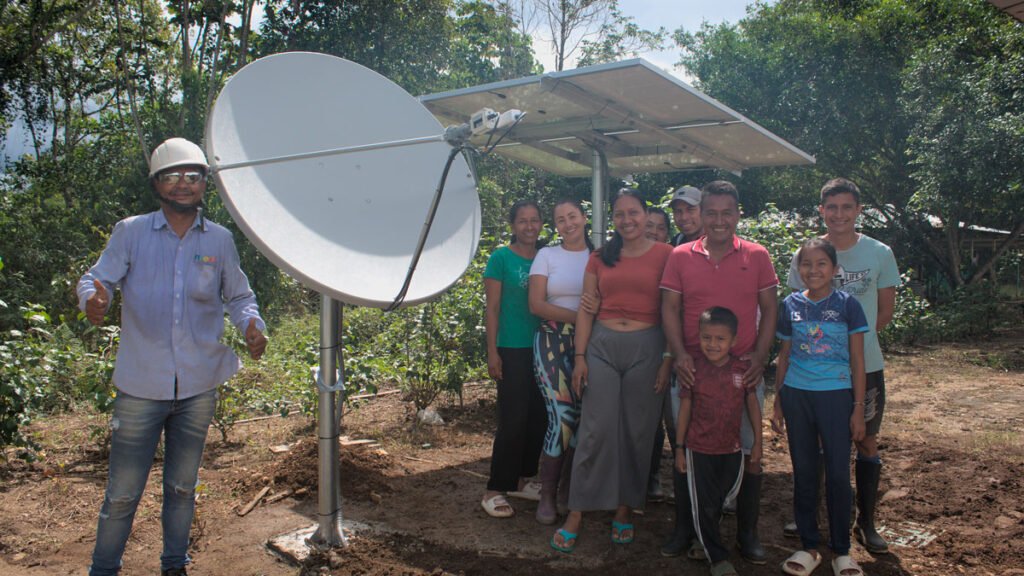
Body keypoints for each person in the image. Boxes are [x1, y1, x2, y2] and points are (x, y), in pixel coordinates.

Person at [79, 137, 268, 576]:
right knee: (123, 493)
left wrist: (251, 326)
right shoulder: (132, 232)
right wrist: (94, 300)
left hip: (198, 386)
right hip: (141, 386)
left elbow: (239, 296)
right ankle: (103, 570)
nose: (183, 184)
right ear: (157, 185)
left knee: (182, 488)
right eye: (172, 176)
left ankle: (174, 566)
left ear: (205, 183)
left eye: (192, 176)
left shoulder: (219, 240)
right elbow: (96, 279)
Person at [660, 180, 778, 564]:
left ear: (738, 214)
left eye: (727, 212)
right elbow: (670, 310)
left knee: (747, 449)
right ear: (700, 214)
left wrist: (760, 358)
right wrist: (679, 355)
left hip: (742, 373)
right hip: (693, 372)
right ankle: (685, 529)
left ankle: (747, 532)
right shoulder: (680, 255)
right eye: (711, 212)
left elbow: (771, 310)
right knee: (687, 449)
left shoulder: (757, 256)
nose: (719, 220)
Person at [550, 190, 673, 553]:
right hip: (602, 347)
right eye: (619, 214)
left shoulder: (667, 256)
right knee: (593, 430)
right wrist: (582, 356)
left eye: (633, 213)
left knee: (637, 432)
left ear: (645, 215)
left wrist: (667, 357)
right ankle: (577, 511)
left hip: (647, 348)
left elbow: (673, 309)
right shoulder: (600, 257)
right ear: (612, 219)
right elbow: (587, 309)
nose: (627, 220)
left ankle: (624, 509)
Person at [785, 177, 901, 554]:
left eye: (846, 207)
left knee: (865, 438)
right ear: (822, 211)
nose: (839, 214)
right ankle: (814, 516)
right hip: (814, 376)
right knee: (817, 443)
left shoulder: (879, 252)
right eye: (831, 207)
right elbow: (796, 308)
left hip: (863, 365)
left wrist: (852, 346)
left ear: (858, 210)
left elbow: (884, 311)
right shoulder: (806, 254)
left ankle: (865, 522)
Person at [773, 238, 867, 576]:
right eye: (806, 264)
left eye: (821, 264)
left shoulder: (848, 305)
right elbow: (784, 356)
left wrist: (858, 407)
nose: (813, 270)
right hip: (797, 395)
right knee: (804, 472)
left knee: (839, 474)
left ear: (835, 269)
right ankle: (809, 546)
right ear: (798, 270)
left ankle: (842, 550)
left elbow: (858, 359)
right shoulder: (789, 305)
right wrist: (779, 402)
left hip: (837, 397)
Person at [674, 307, 762, 576]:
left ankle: (704, 538)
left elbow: (752, 404)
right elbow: (685, 409)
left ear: (733, 341)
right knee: (704, 503)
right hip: (698, 449)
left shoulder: (741, 368)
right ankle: (717, 558)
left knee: (724, 496)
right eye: (706, 338)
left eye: (720, 339)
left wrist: (757, 442)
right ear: (699, 337)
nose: (713, 344)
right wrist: (679, 448)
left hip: (731, 448)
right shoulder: (694, 370)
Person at [528, 199, 593, 524]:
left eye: (572, 216)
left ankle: (571, 492)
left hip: (591, 346)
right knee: (562, 417)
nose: (567, 224)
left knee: (583, 421)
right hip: (552, 342)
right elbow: (537, 305)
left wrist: (585, 326)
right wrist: (580, 317)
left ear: (584, 217)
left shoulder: (599, 256)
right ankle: (548, 494)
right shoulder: (547, 255)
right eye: (560, 220)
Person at [481, 200, 547, 518]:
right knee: (513, 420)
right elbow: (491, 309)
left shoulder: (546, 257)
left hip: (543, 348)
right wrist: (492, 351)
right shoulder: (500, 258)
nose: (529, 226)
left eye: (535, 220)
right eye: (523, 221)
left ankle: (523, 479)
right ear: (512, 225)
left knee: (539, 418)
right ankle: (495, 488)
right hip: (511, 348)